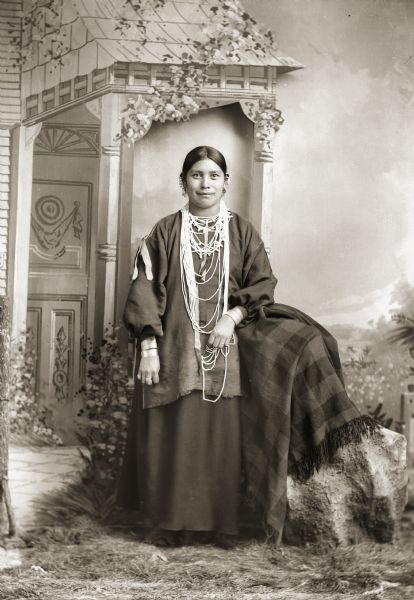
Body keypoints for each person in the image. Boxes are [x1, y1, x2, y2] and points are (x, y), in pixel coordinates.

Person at [117, 146, 377, 548]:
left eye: (213, 176)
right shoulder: (164, 232)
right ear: (183, 181)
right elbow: (144, 288)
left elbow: (262, 284)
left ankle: (224, 524)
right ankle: (168, 522)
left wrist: (231, 317)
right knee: (174, 434)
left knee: (222, 438)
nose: (205, 183)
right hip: (175, 349)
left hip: (227, 351)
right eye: (197, 175)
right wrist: (149, 345)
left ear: (225, 182)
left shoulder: (242, 232)